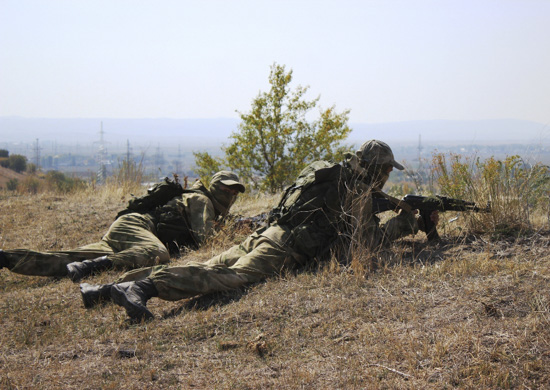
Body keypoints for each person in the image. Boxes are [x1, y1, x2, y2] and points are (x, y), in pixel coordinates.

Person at [79, 140, 439, 321]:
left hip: (268, 231)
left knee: (210, 265)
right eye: (387, 170)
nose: (388, 176)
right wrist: (408, 224)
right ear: (377, 169)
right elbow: (364, 243)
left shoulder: (336, 176)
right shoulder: (355, 191)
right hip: (283, 246)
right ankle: (142, 287)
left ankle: (106, 289)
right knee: (229, 278)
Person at [0, 171, 245, 282]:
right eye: (225, 188)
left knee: (66, 259)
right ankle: (91, 267)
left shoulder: (206, 202)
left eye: (234, 191)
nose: (230, 193)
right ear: (214, 187)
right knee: (157, 254)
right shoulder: (201, 200)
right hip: (137, 226)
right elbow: (208, 240)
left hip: (129, 231)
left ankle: (7, 259)